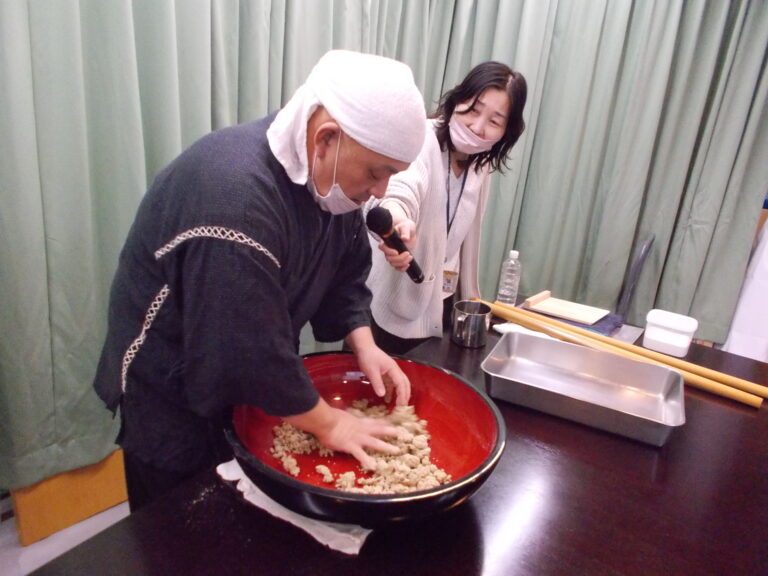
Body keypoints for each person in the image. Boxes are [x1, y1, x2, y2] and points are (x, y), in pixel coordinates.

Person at [92, 50, 428, 511]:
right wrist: (330, 424)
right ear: (325, 138)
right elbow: (239, 344)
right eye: (376, 173)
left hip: (246, 373)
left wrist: (365, 344)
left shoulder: (327, 182)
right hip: (170, 384)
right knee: (179, 523)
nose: (379, 192)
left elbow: (345, 272)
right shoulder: (233, 195)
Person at [364, 61, 527, 355]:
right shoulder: (421, 140)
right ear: (457, 100)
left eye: (494, 121)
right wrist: (398, 222)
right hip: (393, 301)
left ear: (507, 131)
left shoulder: (481, 164)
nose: (477, 127)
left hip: (442, 300)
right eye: (473, 110)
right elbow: (400, 189)